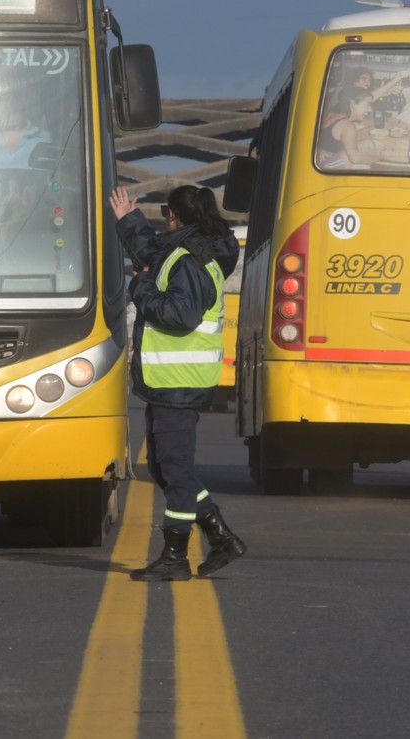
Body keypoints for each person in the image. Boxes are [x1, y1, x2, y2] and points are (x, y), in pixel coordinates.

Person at [109, 182, 247, 581]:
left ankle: (175, 557)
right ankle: (220, 538)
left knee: (175, 468)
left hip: (178, 380)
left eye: (163, 216)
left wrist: (140, 287)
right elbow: (153, 253)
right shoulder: (186, 250)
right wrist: (128, 221)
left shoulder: (188, 260)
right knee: (165, 467)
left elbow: (180, 314)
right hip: (171, 379)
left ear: (174, 216)